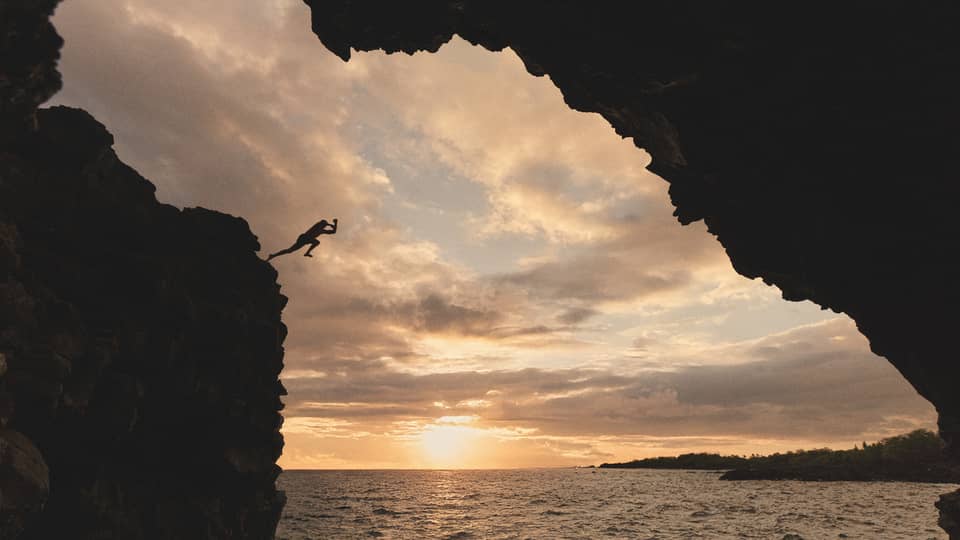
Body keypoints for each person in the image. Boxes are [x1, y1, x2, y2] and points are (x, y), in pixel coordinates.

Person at [267, 218, 337, 261]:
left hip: (306, 240)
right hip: (304, 237)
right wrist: (330, 224)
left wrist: (336, 224)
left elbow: (333, 232)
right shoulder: (317, 226)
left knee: (289, 250)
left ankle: (273, 255)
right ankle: (307, 253)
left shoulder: (322, 230)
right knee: (316, 242)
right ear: (321, 224)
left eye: (324, 225)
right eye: (323, 225)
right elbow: (321, 223)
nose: (323, 226)